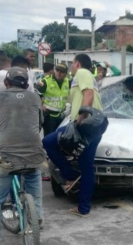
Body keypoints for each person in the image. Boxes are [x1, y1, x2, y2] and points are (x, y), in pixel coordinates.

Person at [0, 67, 46, 244]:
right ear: (27, 84)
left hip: (7, 159)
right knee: (35, 179)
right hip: (34, 156)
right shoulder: (35, 97)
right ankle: (38, 217)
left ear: (5, 83)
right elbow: (40, 122)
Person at [42, 54, 103, 217]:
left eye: (71, 64)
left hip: (85, 124)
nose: (70, 68)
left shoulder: (82, 73)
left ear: (77, 63)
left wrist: (80, 119)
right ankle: (83, 208)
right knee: (86, 166)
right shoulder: (88, 78)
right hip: (96, 127)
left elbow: (88, 95)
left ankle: (69, 175)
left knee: (48, 142)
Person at [35, 63, 70, 136]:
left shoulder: (67, 81)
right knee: (48, 138)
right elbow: (34, 93)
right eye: (57, 70)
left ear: (65, 74)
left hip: (61, 116)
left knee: (59, 138)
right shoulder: (46, 81)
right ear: (54, 70)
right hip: (49, 116)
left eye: (62, 71)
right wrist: (40, 105)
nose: (59, 73)